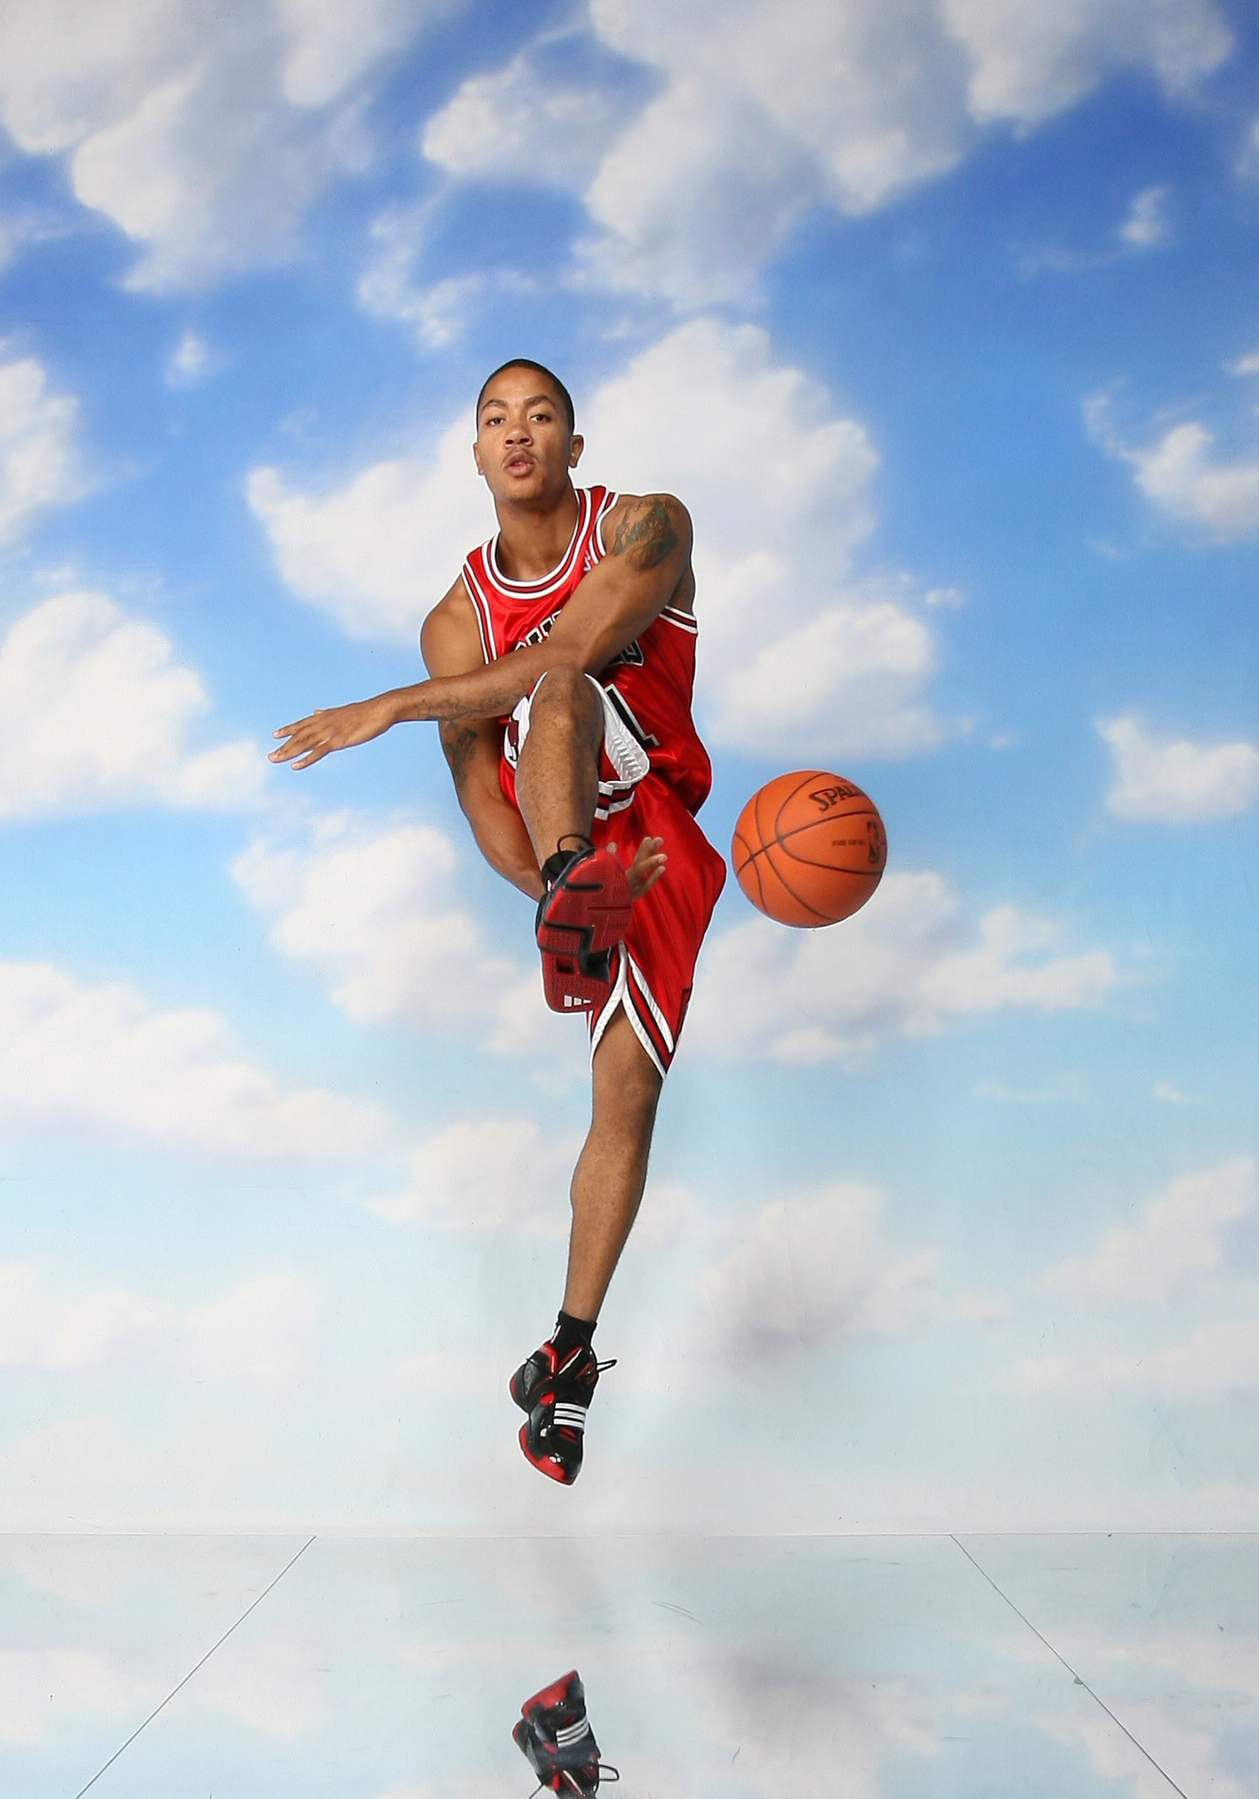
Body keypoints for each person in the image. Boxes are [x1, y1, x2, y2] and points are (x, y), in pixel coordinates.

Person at [271, 358, 725, 1484]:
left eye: (542, 415)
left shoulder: (649, 525)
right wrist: (559, 897)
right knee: (546, 706)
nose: (518, 433)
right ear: (475, 454)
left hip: (655, 831)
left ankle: (563, 1358)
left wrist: (385, 706)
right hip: (567, 838)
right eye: (495, 419)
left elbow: (565, 655)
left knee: (629, 1103)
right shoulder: (456, 617)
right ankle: (575, 882)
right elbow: (481, 794)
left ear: (575, 443)